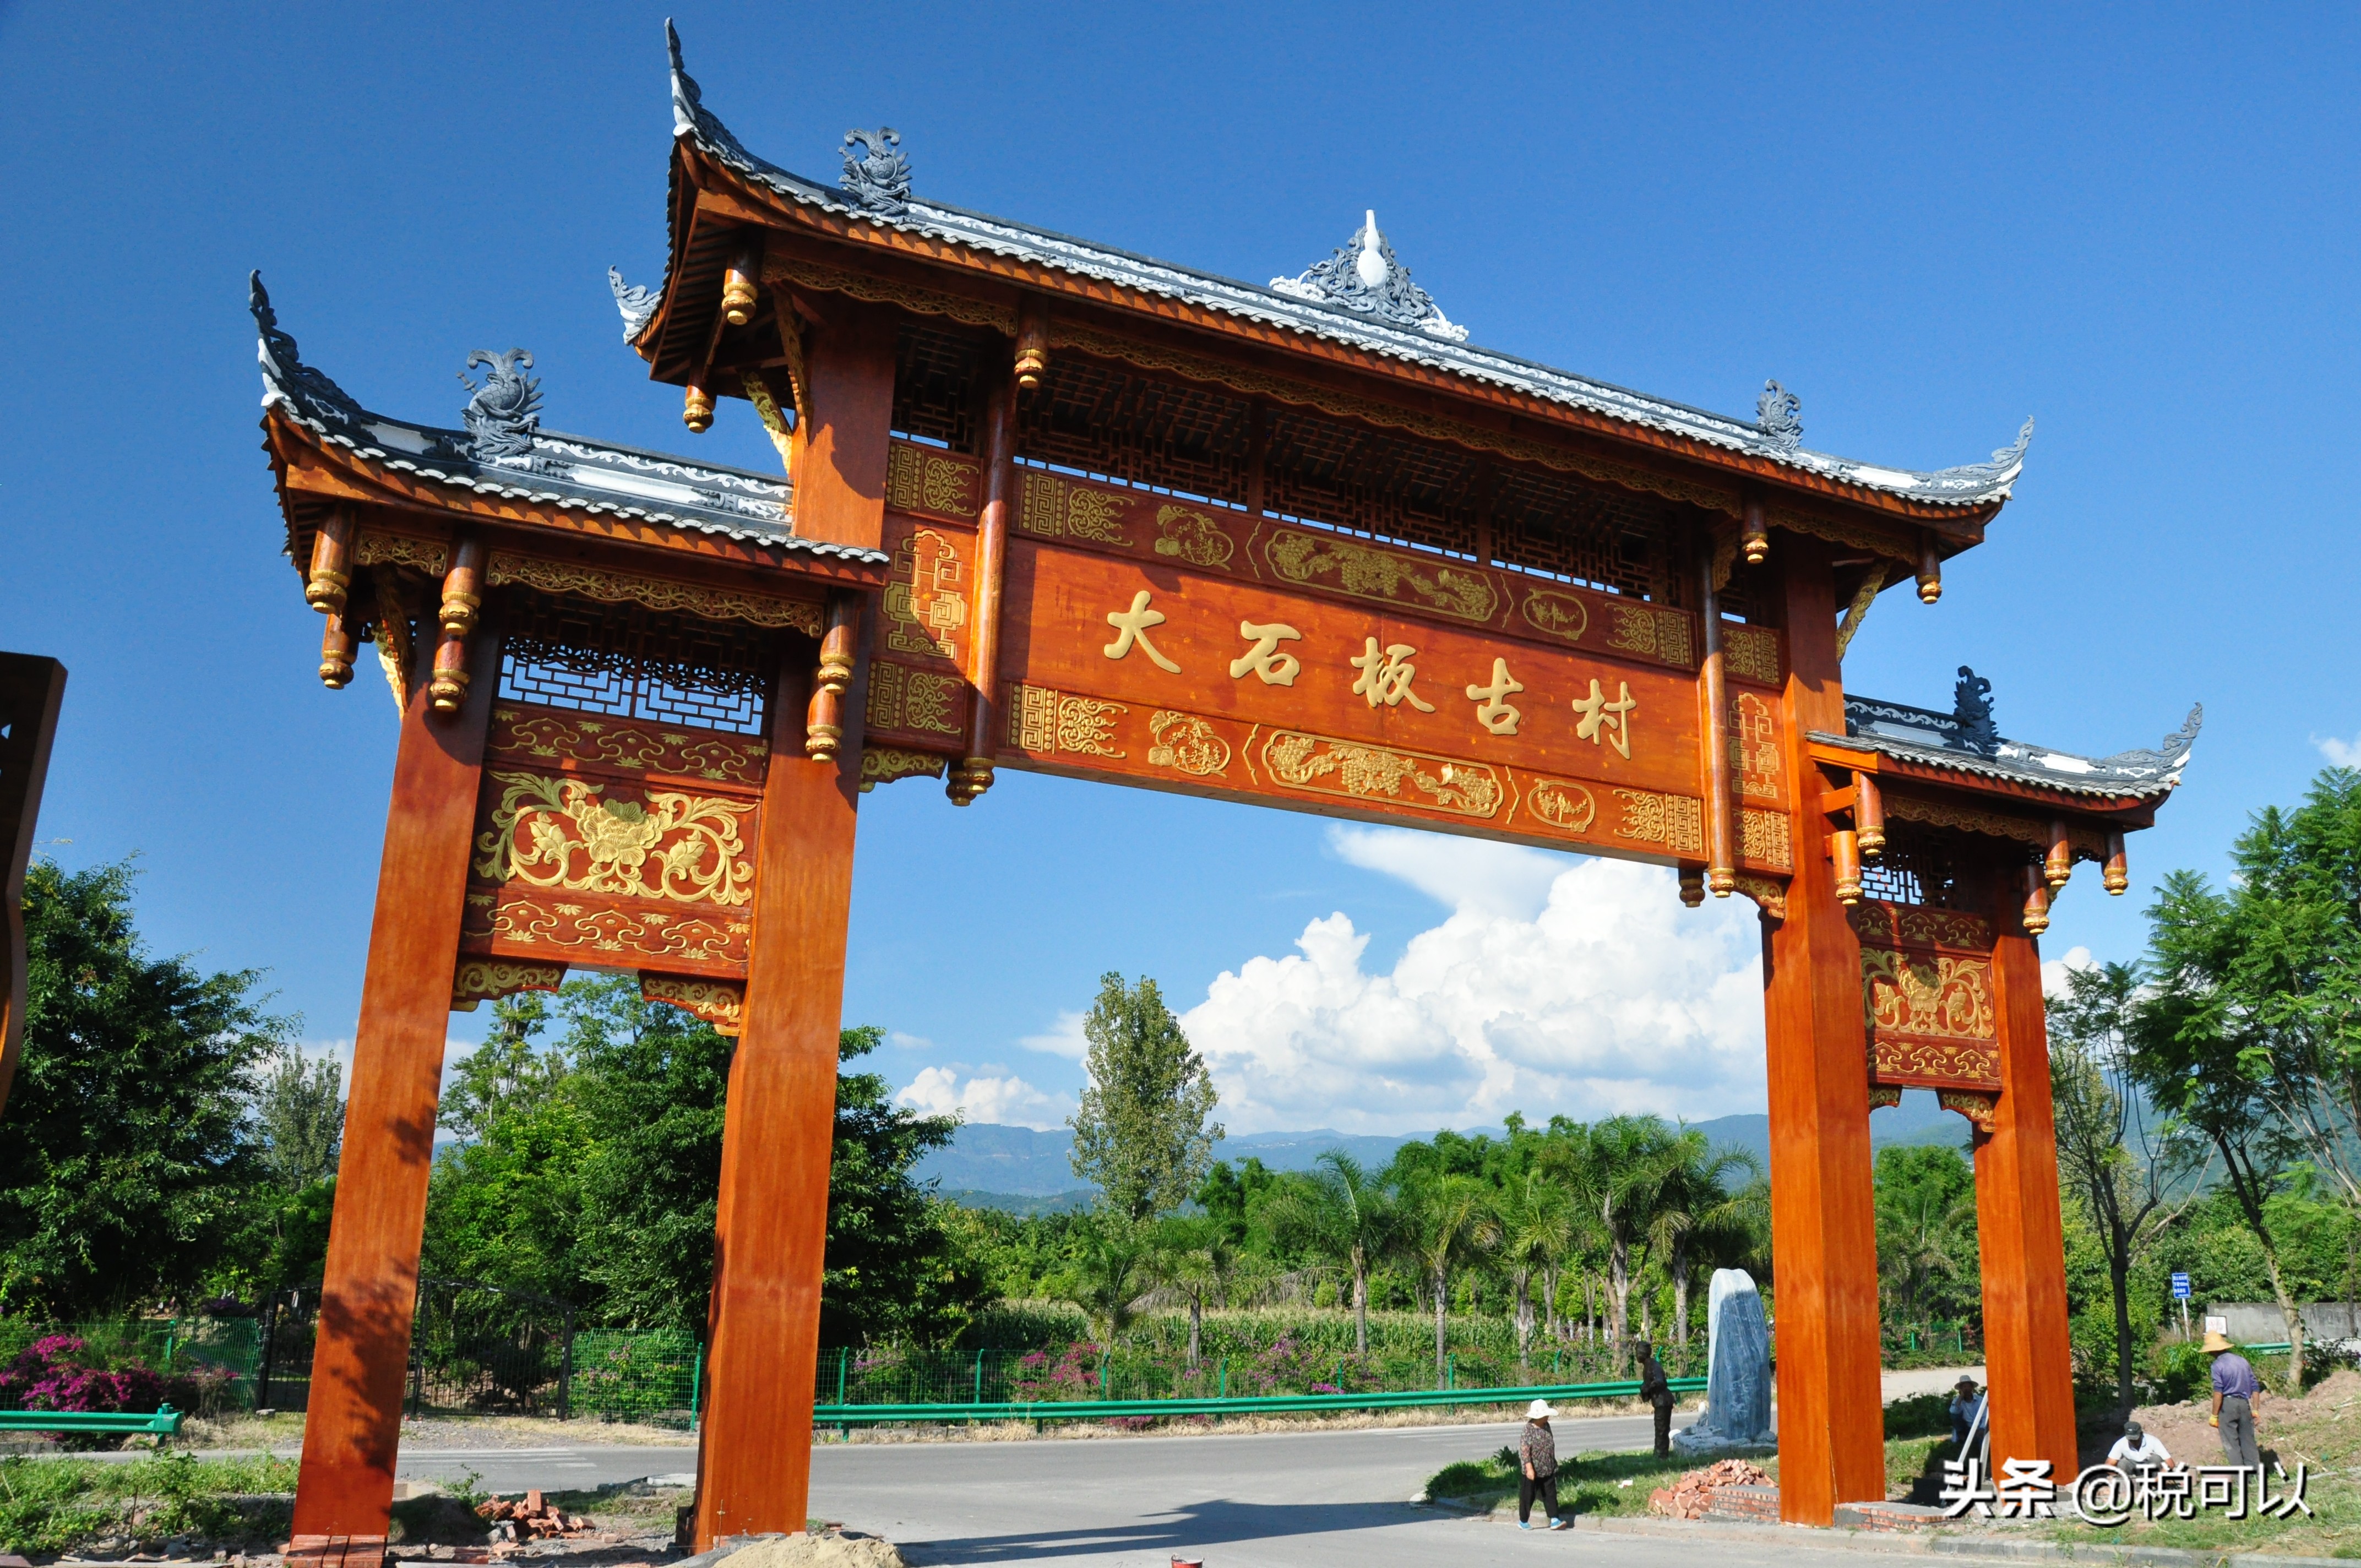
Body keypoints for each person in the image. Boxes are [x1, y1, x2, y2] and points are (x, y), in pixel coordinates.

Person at [2205, 1331, 2264, 1468]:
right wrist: (2255, 1410)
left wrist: (2214, 1415)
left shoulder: (2217, 1366)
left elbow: (2218, 1392)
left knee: (2231, 1444)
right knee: (2248, 1441)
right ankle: (2255, 1476)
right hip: (2245, 1404)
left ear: (2213, 1351)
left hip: (2228, 1405)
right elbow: (2255, 1387)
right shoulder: (2242, 1361)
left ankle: (2240, 1478)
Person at [1519, 1399, 1568, 1531]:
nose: (1548, 1417)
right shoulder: (1528, 1430)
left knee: (1551, 1494)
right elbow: (1525, 1450)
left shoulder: (1546, 1426)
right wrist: (1529, 1468)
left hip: (1548, 1468)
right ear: (1537, 1416)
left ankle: (1555, 1519)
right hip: (1533, 1470)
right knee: (1528, 1495)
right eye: (1545, 1415)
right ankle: (1523, 1521)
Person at [1638, 1341, 1675, 1458]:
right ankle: (1659, 1452)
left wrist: (1648, 1387)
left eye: (1639, 1352)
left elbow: (1660, 1381)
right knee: (1660, 1428)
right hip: (1659, 1401)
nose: (1637, 1355)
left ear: (1644, 1354)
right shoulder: (1648, 1366)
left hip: (1663, 1401)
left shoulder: (1654, 1366)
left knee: (1662, 1429)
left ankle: (1661, 1454)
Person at [2106, 1420, 2173, 1478]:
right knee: (2123, 1463)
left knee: (2156, 1458)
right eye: (2131, 1440)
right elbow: (2108, 1465)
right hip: (2134, 1471)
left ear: (2141, 1434)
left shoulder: (2153, 1441)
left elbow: (2170, 1463)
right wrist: (2118, 1477)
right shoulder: (2120, 1444)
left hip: (2152, 1470)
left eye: (2135, 1439)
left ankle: (2155, 1484)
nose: (2133, 1442)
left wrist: (2162, 1475)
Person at [1949, 1376, 1982, 1449]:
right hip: (1966, 1427)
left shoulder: (1980, 1400)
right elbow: (1954, 1412)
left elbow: (1985, 1415)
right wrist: (1961, 1398)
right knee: (1955, 1415)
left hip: (1979, 1427)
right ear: (1961, 1389)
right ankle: (1961, 1435)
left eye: (1968, 1387)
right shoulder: (1957, 1400)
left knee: (1981, 1441)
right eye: (1964, 1387)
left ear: (1972, 1388)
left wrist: (1982, 1428)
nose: (1967, 1389)